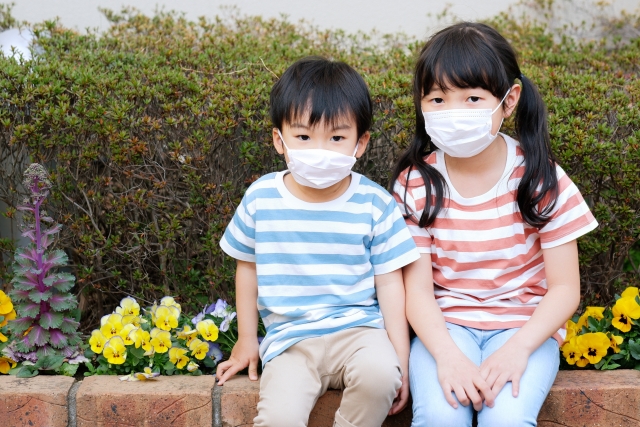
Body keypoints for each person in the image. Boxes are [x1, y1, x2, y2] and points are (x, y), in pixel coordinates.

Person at [391, 22, 598, 426]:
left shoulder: (539, 178)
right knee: (439, 417)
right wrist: (448, 356)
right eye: (437, 99)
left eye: (472, 98)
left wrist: (518, 349)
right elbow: (416, 292)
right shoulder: (415, 184)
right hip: (445, 328)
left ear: (509, 100)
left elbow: (564, 289)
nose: (454, 112)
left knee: (506, 418)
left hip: (525, 328)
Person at [216, 56, 421, 427]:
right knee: (279, 418)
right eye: (304, 137)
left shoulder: (374, 203)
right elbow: (247, 268)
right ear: (279, 140)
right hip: (290, 342)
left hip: (360, 333)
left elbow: (391, 284)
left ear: (360, 143)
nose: (319, 150)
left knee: (380, 377)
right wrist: (247, 339)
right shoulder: (261, 198)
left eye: (337, 138)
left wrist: (400, 362)